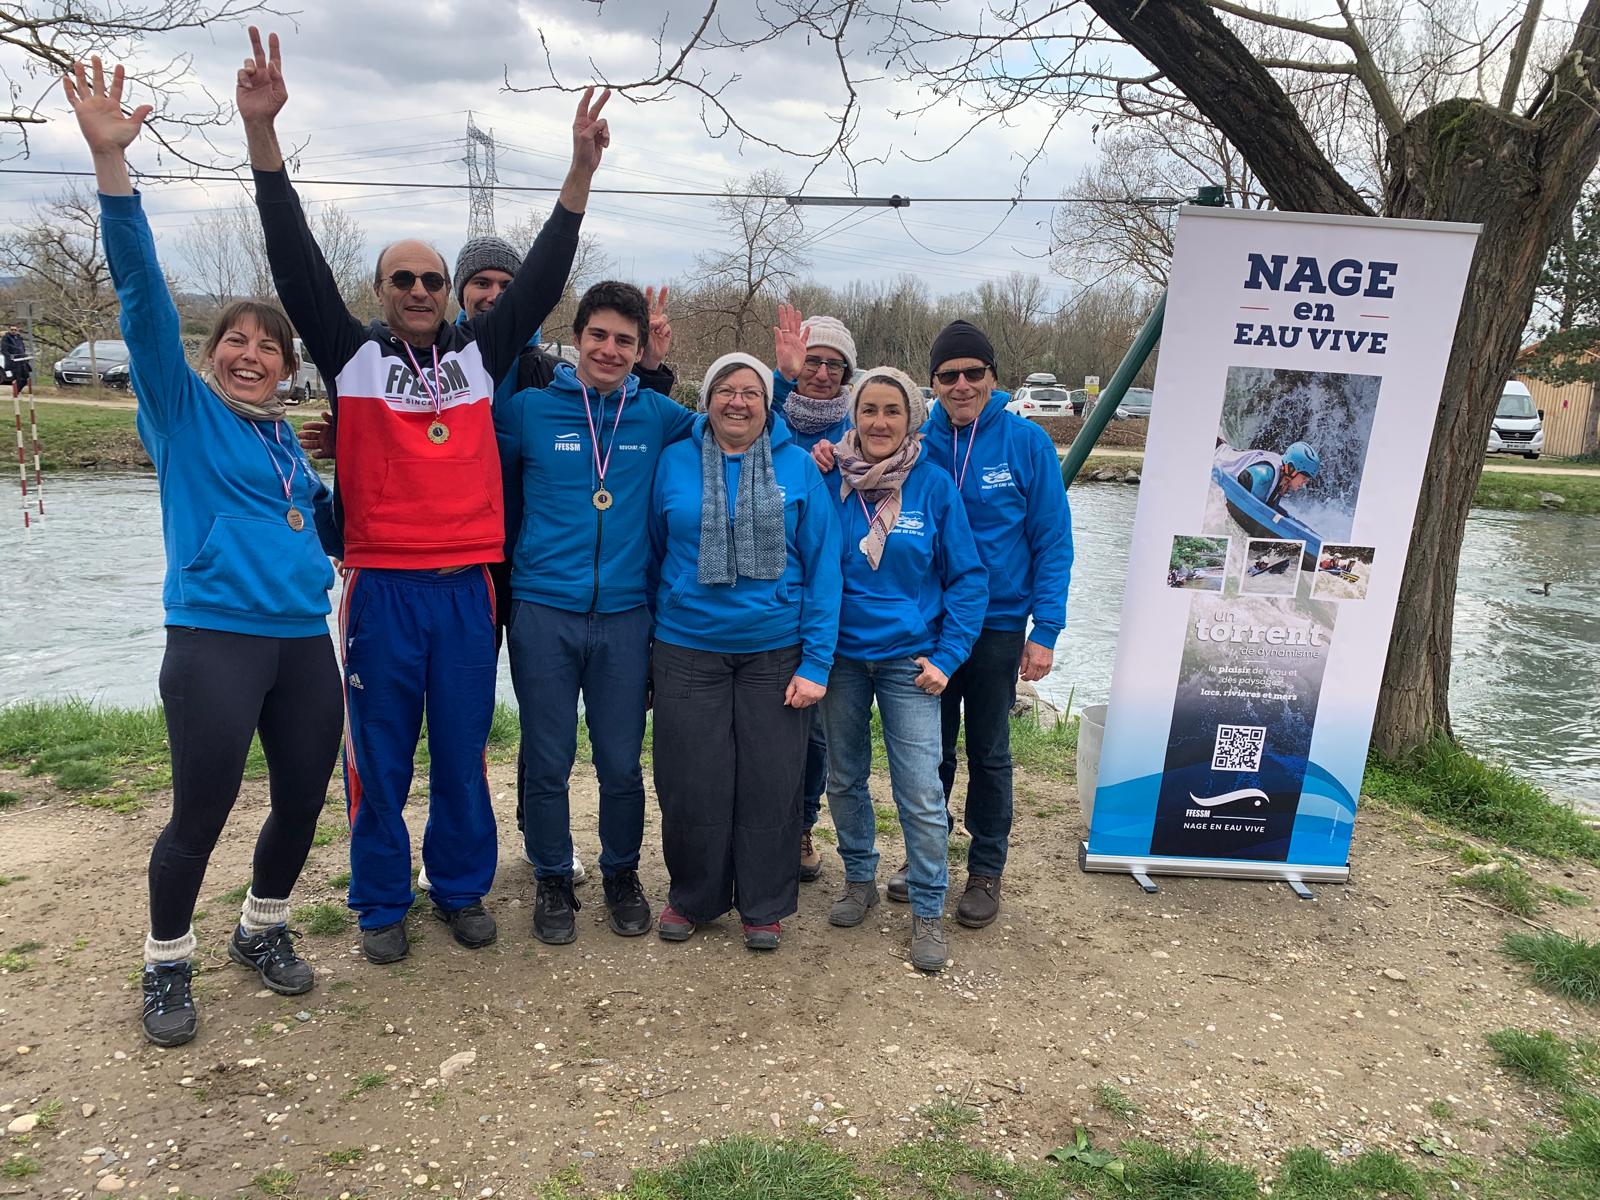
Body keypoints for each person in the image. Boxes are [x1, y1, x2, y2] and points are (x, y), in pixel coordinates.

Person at [238, 27, 608, 964]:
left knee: (463, 751)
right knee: (379, 756)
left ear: (450, 294)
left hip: (467, 585)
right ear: (378, 290)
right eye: (401, 279)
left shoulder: (481, 356)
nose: (417, 289)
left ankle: (460, 887)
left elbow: (544, 277)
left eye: (431, 280)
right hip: (382, 586)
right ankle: (379, 902)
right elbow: (292, 261)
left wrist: (578, 174)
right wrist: (263, 138)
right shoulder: (350, 355)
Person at [66, 58, 343, 1047]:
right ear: (213, 352)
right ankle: (165, 961)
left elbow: (330, 532)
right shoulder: (180, 413)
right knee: (201, 812)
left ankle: (260, 929)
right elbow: (143, 299)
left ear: (286, 368)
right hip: (214, 639)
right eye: (236, 340)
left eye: (269, 347)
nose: (250, 354)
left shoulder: (289, 447)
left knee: (303, 800)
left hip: (302, 642)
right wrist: (113, 168)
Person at [497, 281, 697, 945]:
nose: (609, 350)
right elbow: (458, 459)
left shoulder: (658, 417)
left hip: (625, 617)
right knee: (546, 759)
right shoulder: (528, 411)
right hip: (543, 611)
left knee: (620, 762)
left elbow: (738, 425)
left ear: (640, 351)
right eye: (599, 336)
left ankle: (621, 873)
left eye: (624, 341)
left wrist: (786, 394)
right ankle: (553, 876)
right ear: (577, 338)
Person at [647, 353, 841, 950]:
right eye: (725, 390)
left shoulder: (798, 466)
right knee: (691, 780)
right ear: (706, 400)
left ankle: (763, 903)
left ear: (766, 403)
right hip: (687, 645)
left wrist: (817, 661)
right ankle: (694, 896)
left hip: (774, 651)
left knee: (771, 781)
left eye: (751, 392)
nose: (738, 402)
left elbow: (824, 566)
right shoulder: (674, 461)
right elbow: (654, 550)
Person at [820, 366, 986, 972]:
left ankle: (927, 908)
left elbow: (968, 578)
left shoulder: (933, 486)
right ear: (854, 416)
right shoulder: (828, 480)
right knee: (844, 776)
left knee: (919, 789)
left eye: (893, 410)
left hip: (909, 663)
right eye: (869, 409)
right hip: (839, 658)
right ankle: (858, 878)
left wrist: (948, 657)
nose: (880, 421)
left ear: (911, 419)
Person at [918, 321, 1073, 929]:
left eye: (973, 373)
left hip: (999, 624)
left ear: (993, 378)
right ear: (933, 383)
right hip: (930, 626)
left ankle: (985, 868)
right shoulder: (916, 441)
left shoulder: (1026, 443)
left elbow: (1052, 541)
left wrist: (1046, 630)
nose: (961, 385)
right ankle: (926, 854)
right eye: (948, 375)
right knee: (928, 749)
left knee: (989, 751)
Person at [771, 303, 858, 883]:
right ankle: (764, 823)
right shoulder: (769, 411)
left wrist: (846, 459)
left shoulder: (860, 425)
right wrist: (781, 377)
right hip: (772, 597)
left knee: (818, 731)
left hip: (834, 598)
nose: (822, 374)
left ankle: (801, 825)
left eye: (835, 366)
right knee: (772, 719)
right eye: (813, 361)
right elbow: (750, 423)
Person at [1213, 439, 1321, 508]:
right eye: (1304, 477)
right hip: (1213, 452)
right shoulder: (1265, 475)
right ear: (1292, 469)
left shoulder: (1283, 480)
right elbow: (1245, 508)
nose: (1305, 482)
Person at [1, 324, 29, 398]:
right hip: (13, 362)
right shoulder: (6, 338)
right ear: (9, 330)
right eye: (12, 330)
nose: (13, 331)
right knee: (17, 378)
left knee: (26, 377)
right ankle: (15, 394)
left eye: (15, 330)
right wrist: (10, 357)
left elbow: (22, 348)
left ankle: (17, 391)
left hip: (22, 360)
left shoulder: (19, 338)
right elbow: (4, 350)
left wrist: (24, 355)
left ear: (17, 330)